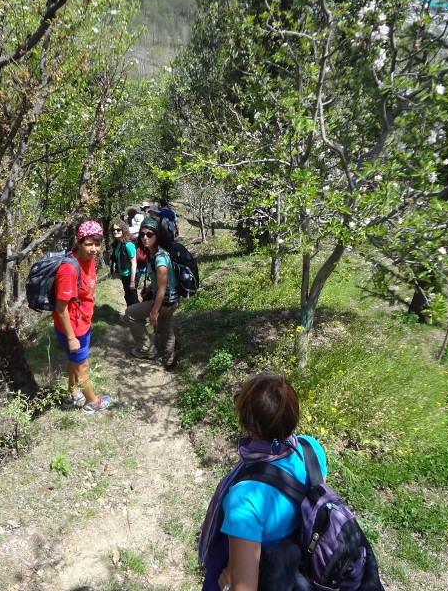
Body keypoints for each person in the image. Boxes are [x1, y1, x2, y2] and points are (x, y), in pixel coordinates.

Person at [199, 372, 327, 591]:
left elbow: (244, 587)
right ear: (292, 416)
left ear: (246, 422)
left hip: (270, 570)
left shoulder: (245, 498)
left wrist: (229, 585)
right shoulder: (310, 448)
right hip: (299, 555)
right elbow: (315, 504)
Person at [53, 220, 111, 414]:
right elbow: (61, 309)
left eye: (97, 244)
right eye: (89, 244)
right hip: (73, 327)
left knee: (74, 361)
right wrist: (71, 338)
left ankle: (72, 394)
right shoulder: (69, 269)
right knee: (82, 365)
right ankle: (93, 402)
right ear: (79, 243)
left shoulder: (89, 260)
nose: (94, 249)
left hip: (82, 322)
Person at [125, 217, 178, 369]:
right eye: (142, 234)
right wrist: (149, 288)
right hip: (171, 300)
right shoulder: (154, 254)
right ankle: (168, 360)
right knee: (165, 329)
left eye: (149, 234)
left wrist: (154, 312)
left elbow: (162, 288)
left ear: (157, 236)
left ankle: (148, 350)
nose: (145, 238)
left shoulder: (160, 259)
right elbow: (162, 283)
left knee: (131, 313)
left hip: (164, 301)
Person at [109, 220, 138, 307]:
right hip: (124, 275)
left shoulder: (128, 245)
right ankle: (131, 316)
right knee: (128, 296)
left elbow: (134, 263)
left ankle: (137, 318)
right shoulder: (117, 244)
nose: (115, 231)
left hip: (130, 275)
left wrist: (132, 281)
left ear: (123, 230)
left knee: (132, 297)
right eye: (113, 229)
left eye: (118, 229)